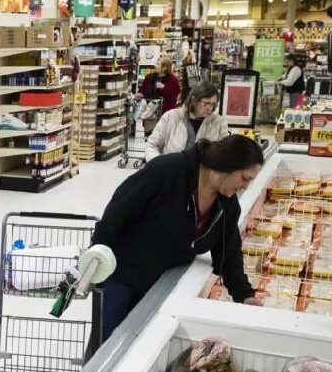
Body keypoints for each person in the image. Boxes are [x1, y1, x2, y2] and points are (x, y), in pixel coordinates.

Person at [93, 135, 265, 339]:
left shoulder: (226, 204)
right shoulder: (168, 170)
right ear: (226, 164)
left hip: (163, 285)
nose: (245, 186)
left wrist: (244, 294)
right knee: (108, 345)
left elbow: (229, 252)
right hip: (124, 276)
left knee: (140, 349)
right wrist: (97, 262)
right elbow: (117, 213)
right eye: (245, 178)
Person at [145, 82, 230, 160]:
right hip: (171, 172)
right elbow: (152, 145)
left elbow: (225, 153)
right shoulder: (171, 117)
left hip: (203, 175)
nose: (210, 108)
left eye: (213, 104)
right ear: (193, 100)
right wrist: (159, 165)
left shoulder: (219, 123)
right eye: (206, 103)